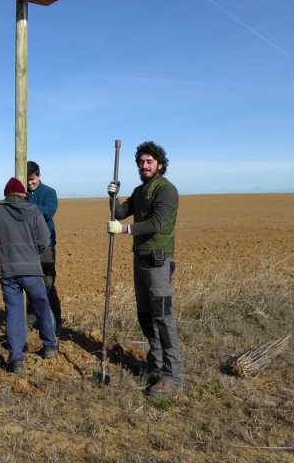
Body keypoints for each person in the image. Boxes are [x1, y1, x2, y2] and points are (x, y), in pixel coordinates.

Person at [106, 141, 183, 397]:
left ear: (160, 165)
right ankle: (156, 363)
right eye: (141, 162)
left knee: (162, 316)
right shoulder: (140, 191)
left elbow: (157, 223)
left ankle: (173, 377)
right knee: (145, 316)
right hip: (140, 259)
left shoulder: (167, 190)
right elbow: (119, 212)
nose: (144, 166)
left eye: (149, 162)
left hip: (159, 261)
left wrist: (125, 230)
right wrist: (112, 196)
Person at [0, 177, 59, 373]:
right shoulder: (33, 211)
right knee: (42, 305)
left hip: (8, 273)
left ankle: (16, 359)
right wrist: (33, 252)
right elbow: (44, 240)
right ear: (22, 194)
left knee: (14, 312)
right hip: (32, 270)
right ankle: (50, 345)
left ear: (6, 195)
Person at [25, 160, 62, 331]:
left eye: (33, 179)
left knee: (47, 284)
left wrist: (28, 205)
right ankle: (31, 321)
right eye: (27, 180)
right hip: (27, 246)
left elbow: (48, 212)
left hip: (46, 246)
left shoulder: (49, 192)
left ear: (39, 176)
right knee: (30, 283)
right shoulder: (22, 193)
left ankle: (56, 321)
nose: (30, 183)